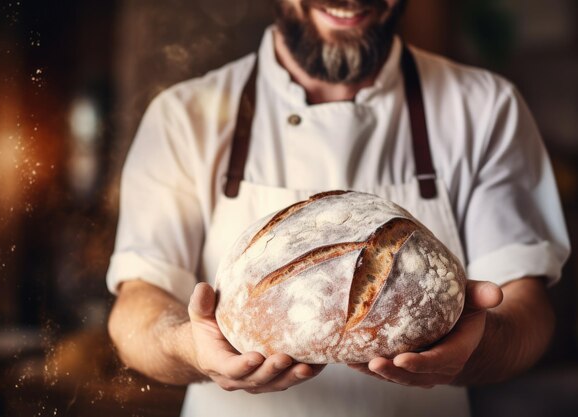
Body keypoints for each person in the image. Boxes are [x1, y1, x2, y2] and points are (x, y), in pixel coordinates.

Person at [106, 1, 571, 416]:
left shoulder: (485, 109)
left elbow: (527, 314)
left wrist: (479, 345)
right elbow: (137, 309)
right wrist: (188, 346)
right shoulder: (184, 115)